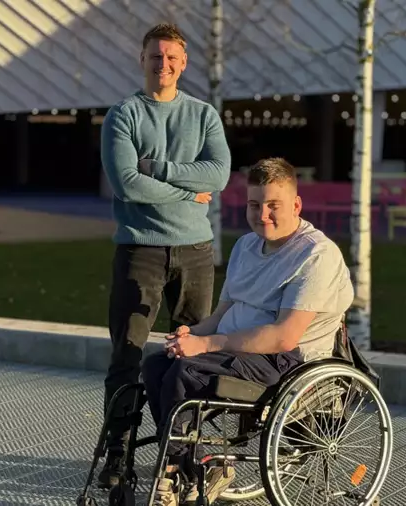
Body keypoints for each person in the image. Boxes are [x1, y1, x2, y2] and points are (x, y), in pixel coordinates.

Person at [140, 157, 354, 506]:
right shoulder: (245, 247)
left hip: (285, 361)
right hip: (235, 349)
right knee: (157, 364)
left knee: (186, 371)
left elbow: (285, 336)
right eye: (255, 205)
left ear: (296, 205)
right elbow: (222, 314)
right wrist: (189, 335)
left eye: (274, 205)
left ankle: (176, 471)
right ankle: (192, 466)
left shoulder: (316, 254)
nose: (262, 214)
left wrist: (207, 343)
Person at [98, 22, 231, 488]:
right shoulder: (124, 115)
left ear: (185, 62)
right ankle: (118, 458)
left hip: (195, 253)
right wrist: (186, 192)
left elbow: (218, 175)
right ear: (143, 59)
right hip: (140, 251)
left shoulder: (203, 115)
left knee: (191, 358)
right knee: (127, 357)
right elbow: (125, 182)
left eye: (173, 57)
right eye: (156, 56)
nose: (165, 65)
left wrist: (160, 170)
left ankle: (183, 456)